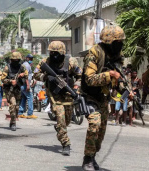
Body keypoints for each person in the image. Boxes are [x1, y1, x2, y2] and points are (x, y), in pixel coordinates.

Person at [81, 25, 126, 170]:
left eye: (121, 42)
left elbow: (120, 79)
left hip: (104, 98)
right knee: (94, 125)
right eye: (117, 42)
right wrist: (110, 75)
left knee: (100, 134)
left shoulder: (117, 56)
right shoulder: (94, 53)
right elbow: (89, 79)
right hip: (90, 96)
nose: (120, 45)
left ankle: (92, 156)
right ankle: (87, 159)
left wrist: (125, 89)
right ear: (109, 42)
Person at [34, 41, 82, 156]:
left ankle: (60, 129)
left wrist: (76, 87)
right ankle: (66, 144)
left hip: (68, 95)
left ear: (63, 53)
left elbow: (80, 76)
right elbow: (36, 74)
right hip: (54, 95)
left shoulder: (70, 62)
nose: (54, 55)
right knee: (60, 118)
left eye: (57, 53)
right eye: (52, 53)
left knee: (67, 120)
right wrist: (45, 76)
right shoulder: (45, 62)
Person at [1, 52, 28, 131]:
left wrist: (23, 75)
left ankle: (13, 120)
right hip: (9, 89)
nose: (16, 62)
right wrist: (10, 81)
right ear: (11, 60)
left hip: (18, 88)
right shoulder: (7, 67)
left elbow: (27, 74)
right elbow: (3, 79)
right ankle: (13, 123)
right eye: (14, 60)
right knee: (13, 104)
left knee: (17, 107)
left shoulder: (22, 67)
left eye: (17, 60)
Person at [18, 54, 37, 119]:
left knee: (24, 98)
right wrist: (28, 85)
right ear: (27, 58)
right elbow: (26, 76)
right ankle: (30, 113)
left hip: (22, 84)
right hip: (25, 84)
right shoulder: (26, 65)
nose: (31, 60)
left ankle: (20, 113)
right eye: (30, 58)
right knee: (30, 98)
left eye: (32, 59)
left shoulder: (25, 64)